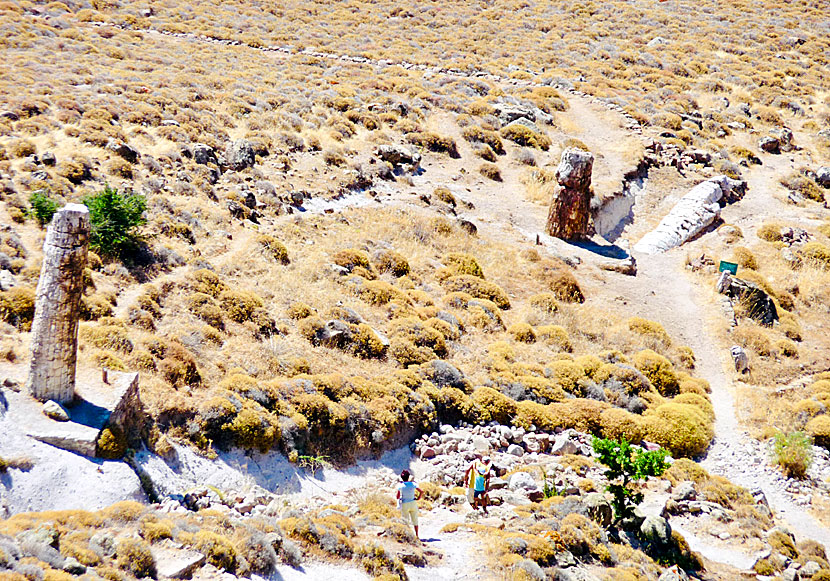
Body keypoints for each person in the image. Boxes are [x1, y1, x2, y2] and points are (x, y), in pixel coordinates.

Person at [396, 469, 423, 540]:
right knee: (415, 520)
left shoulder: (400, 486)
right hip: (413, 503)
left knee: (405, 520)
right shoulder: (413, 484)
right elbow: (421, 491)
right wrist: (418, 498)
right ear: (408, 477)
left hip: (405, 503)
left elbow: (397, 497)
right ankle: (417, 535)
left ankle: (407, 535)